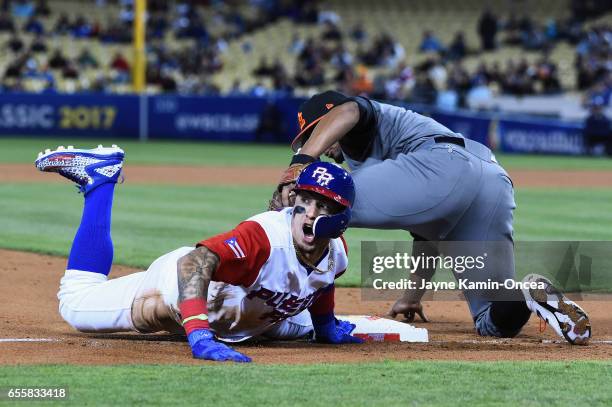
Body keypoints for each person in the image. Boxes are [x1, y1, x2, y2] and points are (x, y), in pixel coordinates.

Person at [269, 90, 592, 345]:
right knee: (492, 321)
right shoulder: (376, 166)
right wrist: (413, 295)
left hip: (441, 163)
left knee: (306, 209)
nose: (320, 148)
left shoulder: (363, 117)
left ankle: (269, 306)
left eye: (314, 134)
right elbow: (425, 232)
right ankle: (528, 292)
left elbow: (349, 110)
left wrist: (302, 159)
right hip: (490, 181)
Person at [35, 145, 363, 363]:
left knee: (304, 327)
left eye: (322, 206)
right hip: (187, 290)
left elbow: (323, 277)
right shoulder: (264, 238)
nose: (308, 212)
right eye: (304, 201)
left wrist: (325, 324)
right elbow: (194, 262)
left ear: (341, 219)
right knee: (75, 307)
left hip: (253, 313)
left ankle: (315, 324)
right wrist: (199, 333)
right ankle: (100, 179)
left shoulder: (337, 252)